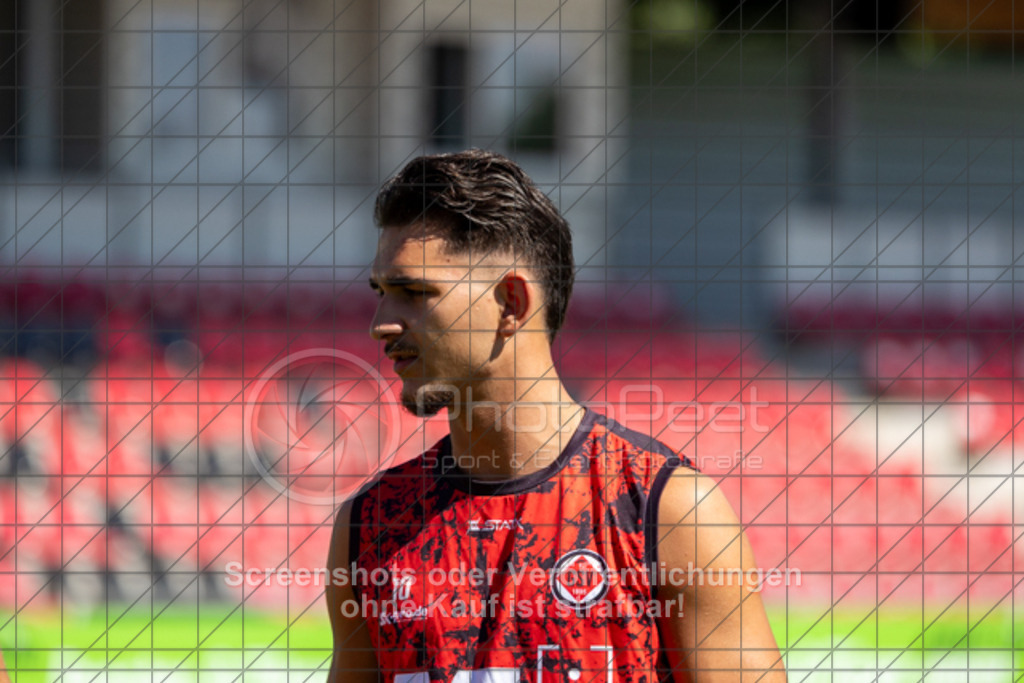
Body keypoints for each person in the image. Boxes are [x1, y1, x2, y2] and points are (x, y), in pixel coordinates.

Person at [326, 149, 786, 683]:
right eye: (381, 293)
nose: (380, 324)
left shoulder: (666, 509)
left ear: (511, 302)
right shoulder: (370, 524)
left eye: (413, 292)